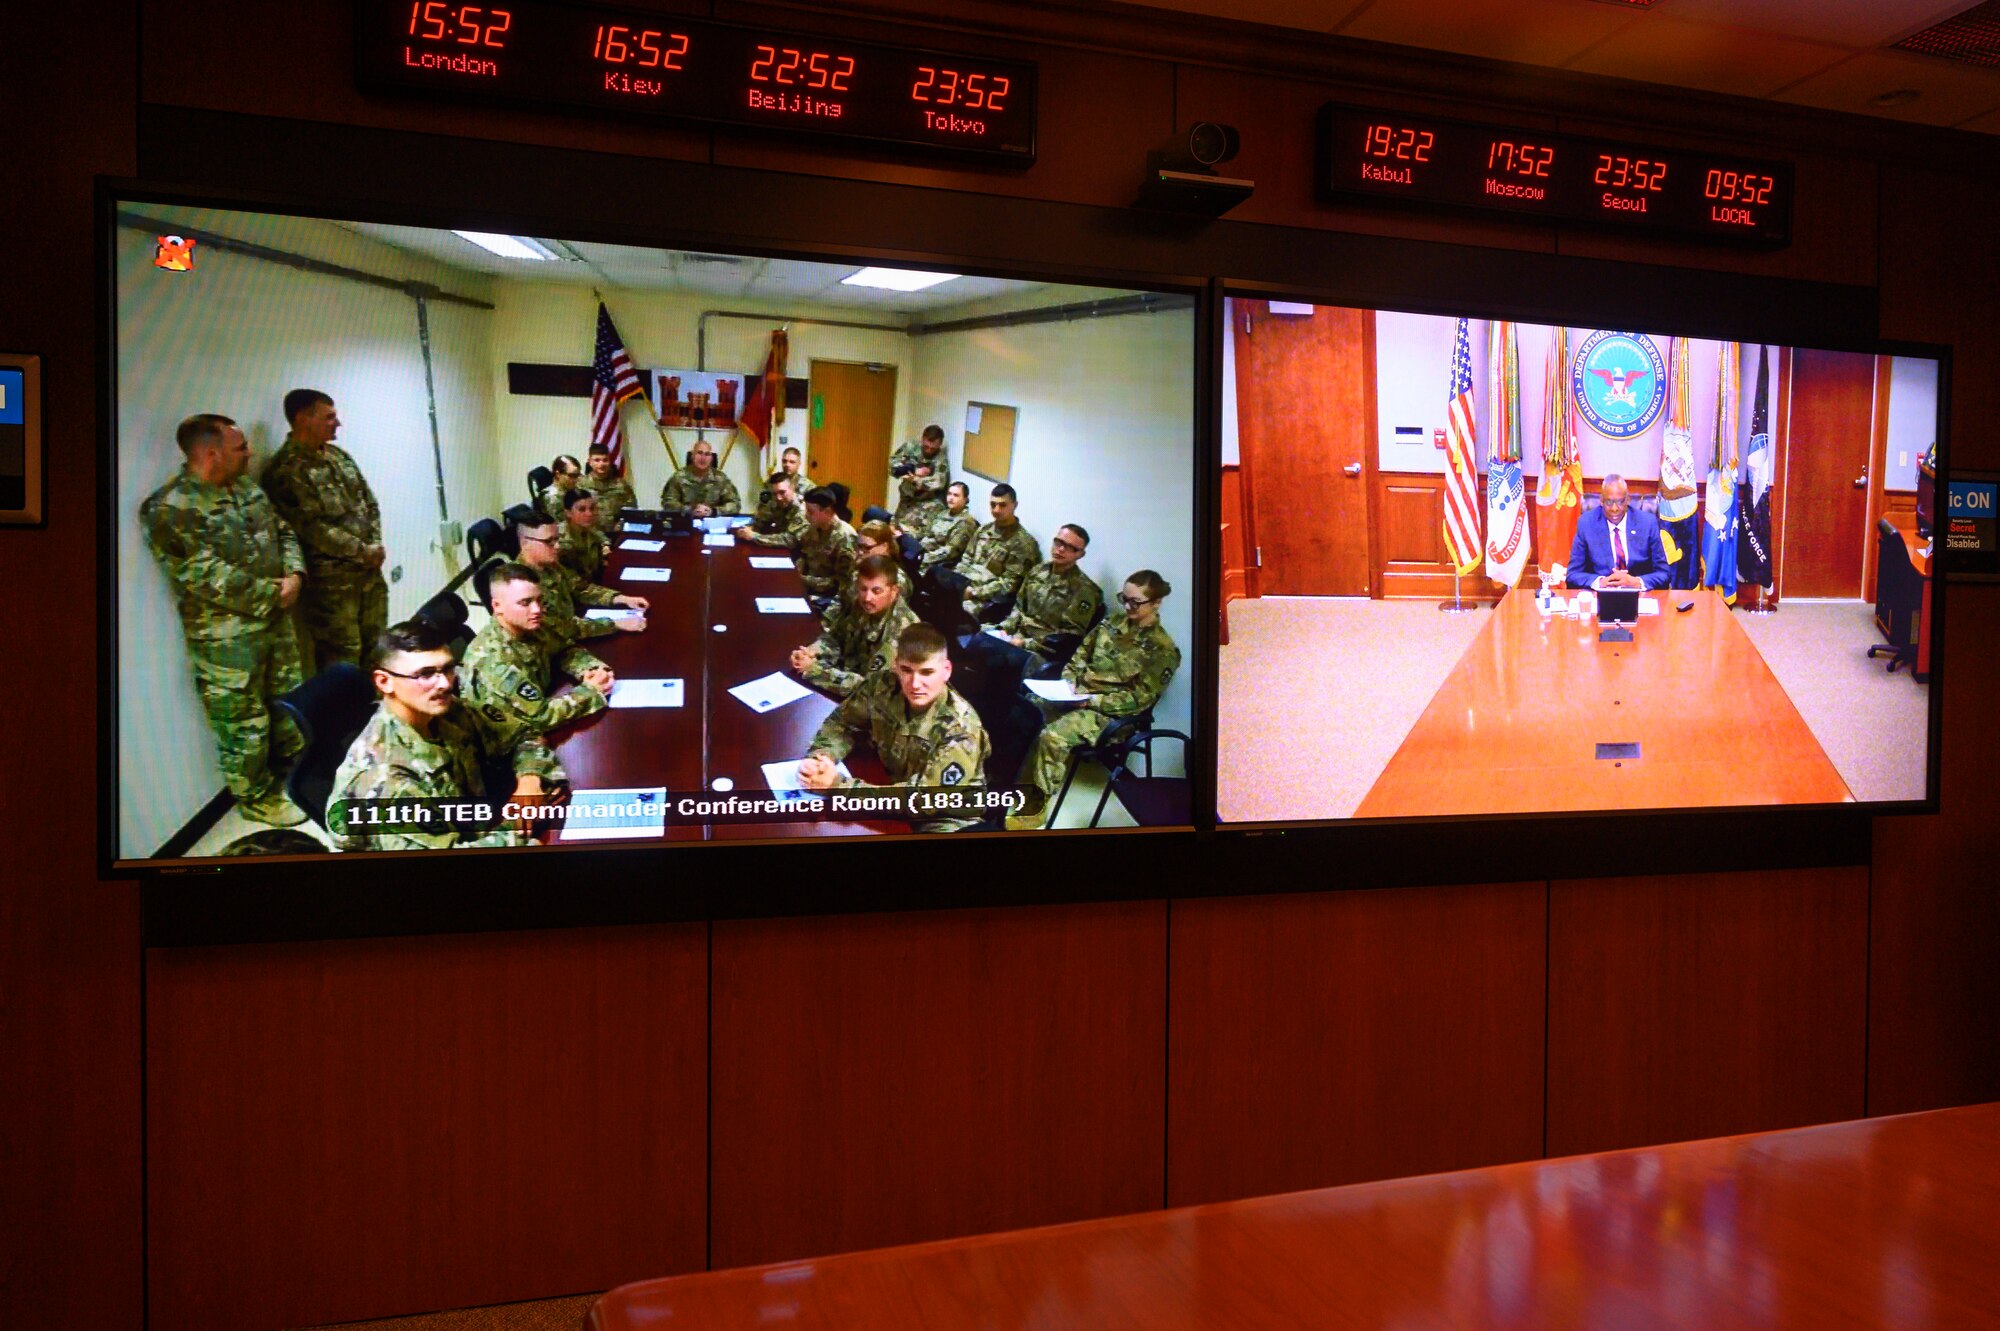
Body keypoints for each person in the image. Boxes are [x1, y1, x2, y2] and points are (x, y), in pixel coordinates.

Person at [141, 413, 309, 826]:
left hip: (275, 623)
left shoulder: (245, 488)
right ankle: (257, 798)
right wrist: (276, 592)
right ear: (211, 454)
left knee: (288, 702)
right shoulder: (169, 509)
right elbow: (204, 574)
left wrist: (295, 574)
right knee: (243, 724)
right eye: (240, 448)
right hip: (227, 643)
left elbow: (283, 531)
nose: (249, 453)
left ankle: (298, 774)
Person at [328, 619, 565, 851]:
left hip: (475, 824)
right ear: (384, 682)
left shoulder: (448, 710)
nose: (443, 684)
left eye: (448, 669)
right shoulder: (387, 779)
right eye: (425, 674)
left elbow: (524, 734)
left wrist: (529, 781)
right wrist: (521, 820)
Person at [1007, 571, 1180, 831]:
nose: (1128, 606)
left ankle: (1033, 807)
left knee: (1052, 737)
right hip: (1077, 695)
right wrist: (1069, 682)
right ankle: (1010, 783)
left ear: (1156, 603)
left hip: (1109, 713)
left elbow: (1140, 699)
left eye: (1136, 602)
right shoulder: (1112, 623)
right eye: (1125, 598)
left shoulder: (1162, 649)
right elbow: (1080, 654)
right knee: (1023, 710)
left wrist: (1091, 702)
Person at [797, 622, 990, 832]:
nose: (915, 684)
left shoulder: (961, 729)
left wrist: (840, 787)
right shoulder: (882, 685)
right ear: (896, 665)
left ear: (946, 671)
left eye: (927, 672)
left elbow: (924, 800)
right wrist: (822, 758)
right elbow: (843, 722)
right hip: (887, 786)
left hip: (942, 820)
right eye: (907, 670)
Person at [259, 388, 389, 671]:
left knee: (378, 647)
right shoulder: (285, 470)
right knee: (343, 657)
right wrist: (362, 551)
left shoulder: (337, 457)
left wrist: (375, 545)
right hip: (333, 587)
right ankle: (347, 715)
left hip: (368, 575)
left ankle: (379, 709)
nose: (337, 423)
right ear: (303, 419)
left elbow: (369, 501)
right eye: (329, 417)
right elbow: (311, 528)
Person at [461, 562, 612, 749]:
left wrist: (589, 669)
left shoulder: (530, 624)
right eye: (525, 603)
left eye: (539, 600)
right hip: (512, 749)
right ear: (497, 606)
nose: (537, 610)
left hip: (543, 712)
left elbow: (563, 648)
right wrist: (590, 691)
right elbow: (541, 717)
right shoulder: (494, 661)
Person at [511, 506, 647, 655]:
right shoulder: (520, 586)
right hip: (553, 652)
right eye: (549, 541)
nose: (557, 546)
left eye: (557, 539)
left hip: (572, 637)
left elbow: (581, 588)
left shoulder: (551, 565)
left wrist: (621, 598)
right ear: (525, 543)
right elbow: (563, 628)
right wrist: (616, 624)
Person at [791, 554, 920, 699]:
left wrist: (815, 671)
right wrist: (812, 652)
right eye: (863, 589)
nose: (867, 598)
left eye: (876, 591)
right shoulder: (861, 604)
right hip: (843, 680)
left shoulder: (903, 632)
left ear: (894, 591)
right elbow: (836, 638)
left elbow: (871, 689)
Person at [935, 482, 1039, 621]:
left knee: (950, 613)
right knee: (931, 595)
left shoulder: (1023, 544)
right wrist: (955, 581)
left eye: (1002, 505)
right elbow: (967, 558)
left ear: (1015, 505)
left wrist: (974, 593)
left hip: (984, 598)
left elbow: (1009, 584)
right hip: (964, 585)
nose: (996, 510)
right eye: (993, 504)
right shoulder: (984, 530)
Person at [1567, 474, 1672, 591]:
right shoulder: (1586, 523)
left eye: (1620, 502)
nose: (1614, 508)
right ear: (1601, 501)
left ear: (1628, 500)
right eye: (1609, 502)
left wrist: (1637, 582)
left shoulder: (1647, 523)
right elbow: (1573, 575)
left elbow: (1664, 574)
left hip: (1640, 597)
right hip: (1600, 597)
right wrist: (1600, 582)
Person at [793, 487, 859, 599]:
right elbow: (803, 554)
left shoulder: (845, 537)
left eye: (810, 511)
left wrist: (802, 580)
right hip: (807, 588)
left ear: (827, 511)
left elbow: (841, 583)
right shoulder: (814, 528)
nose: (806, 515)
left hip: (829, 597)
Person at [888, 424, 952, 529]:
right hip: (906, 498)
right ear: (922, 439)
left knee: (909, 533)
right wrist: (913, 469)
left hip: (926, 503)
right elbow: (892, 466)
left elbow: (939, 482)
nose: (929, 451)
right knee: (895, 529)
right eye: (926, 447)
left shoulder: (941, 458)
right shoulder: (911, 447)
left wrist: (915, 480)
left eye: (933, 448)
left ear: (939, 445)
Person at [660, 439, 741, 517]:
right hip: (686, 522)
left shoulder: (720, 478)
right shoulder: (678, 477)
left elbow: (735, 504)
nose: (703, 458)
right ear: (692, 456)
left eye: (707, 454)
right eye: (699, 453)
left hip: (712, 523)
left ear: (711, 458)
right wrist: (689, 510)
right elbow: (668, 503)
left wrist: (713, 511)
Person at [913, 481, 978, 576]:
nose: (951, 498)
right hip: (924, 551)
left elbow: (950, 552)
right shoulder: (943, 513)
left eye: (956, 495)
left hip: (937, 562)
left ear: (965, 500)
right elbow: (928, 534)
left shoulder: (966, 522)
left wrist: (924, 557)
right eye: (949, 494)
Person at [740, 473, 808, 549]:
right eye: (775, 494)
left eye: (782, 492)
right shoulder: (775, 502)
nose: (778, 498)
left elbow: (790, 540)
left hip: (800, 552)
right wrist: (749, 529)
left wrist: (755, 537)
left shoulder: (801, 509)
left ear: (792, 488)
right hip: (780, 550)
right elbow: (760, 522)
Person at [556, 488, 610, 583]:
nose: (589, 514)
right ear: (568, 513)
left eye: (592, 508)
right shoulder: (559, 539)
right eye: (582, 509)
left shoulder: (594, 534)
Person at [581, 443, 635, 535]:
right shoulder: (580, 485)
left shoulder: (621, 485)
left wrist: (621, 524)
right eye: (597, 460)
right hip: (587, 535)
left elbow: (632, 510)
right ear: (590, 462)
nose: (601, 464)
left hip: (614, 534)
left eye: (605, 460)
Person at [754, 446, 806, 526]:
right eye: (784, 461)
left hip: (795, 527)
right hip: (773, 524)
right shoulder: (771, 483)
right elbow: (762, 509)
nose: (787, 465)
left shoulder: (808, 487)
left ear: (799, 464)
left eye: (792, 462)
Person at [539, 454, 583, 523]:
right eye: (571, 476)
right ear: (558, 474)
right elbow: (561, 528)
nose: (576, 480)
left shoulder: (570, 489)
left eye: (577, 475)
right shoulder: (552, 498)